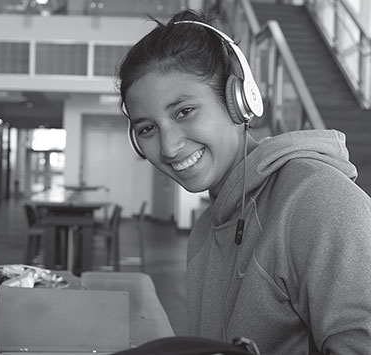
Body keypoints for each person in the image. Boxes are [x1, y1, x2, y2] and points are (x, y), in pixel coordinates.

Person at [119, 10, 371, 353]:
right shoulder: (208, 226)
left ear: (239, 100)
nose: (168, 147)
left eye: (184, 112)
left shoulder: (319, 200)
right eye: (147, 129)